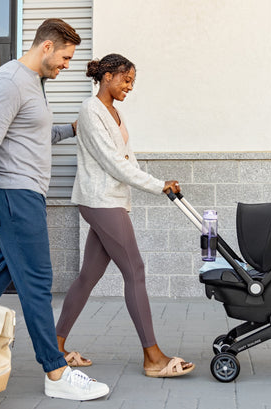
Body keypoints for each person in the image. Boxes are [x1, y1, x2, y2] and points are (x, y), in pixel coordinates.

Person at [0, 18, 109, 401]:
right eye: (64, 57)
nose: (66, 65)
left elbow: (35, 134)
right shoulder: (8, 82)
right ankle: (56, 371)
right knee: (38, 283)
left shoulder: (34, 84)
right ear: (46, 47)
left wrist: (73, 129)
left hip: (25, 196)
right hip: (13, 195)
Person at [56, 53, 195, 378]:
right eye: (126, 80)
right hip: (102, 201)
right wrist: (158, 186)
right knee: (135, 270)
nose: (129, 87)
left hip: (110, 199)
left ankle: (55, 346)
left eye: (132, 82)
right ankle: (153, 358)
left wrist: (157, 183)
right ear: (107, 76)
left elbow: (126, 160)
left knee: (88, 277)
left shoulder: (113, 113)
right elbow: (113, 163)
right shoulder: (91, 111)